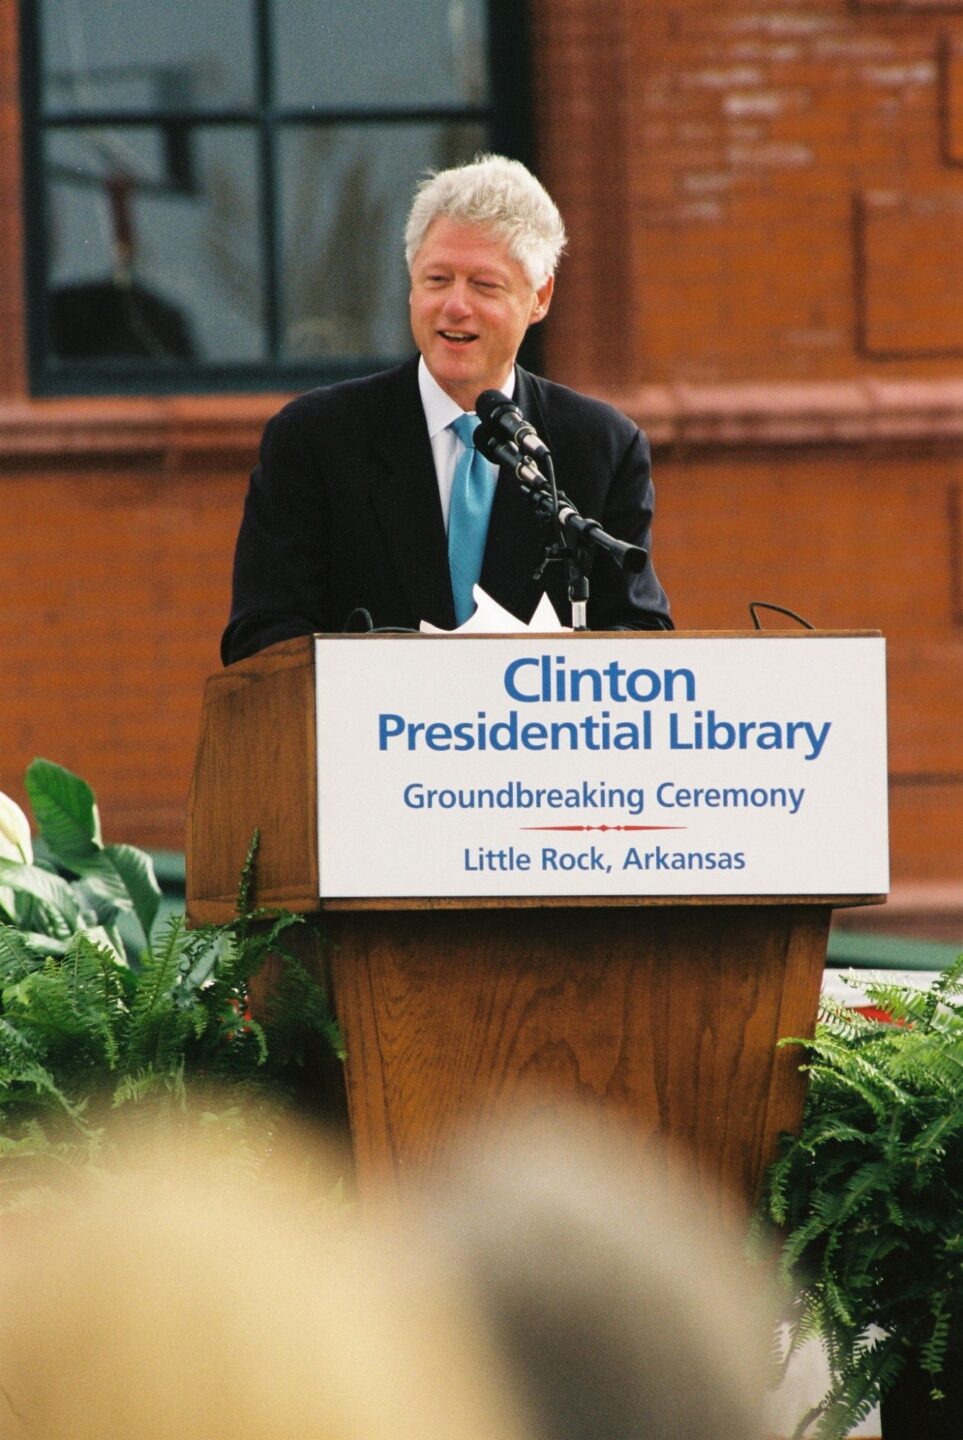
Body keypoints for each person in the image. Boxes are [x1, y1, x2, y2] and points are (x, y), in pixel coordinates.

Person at [221, 154, 672, 665]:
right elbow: (261, 637)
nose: (455, 306)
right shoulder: (315, 439)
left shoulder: (599, 447)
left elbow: (641, 632)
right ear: (412, 285)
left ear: (540, 297)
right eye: (437, 280)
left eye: (484, 285)